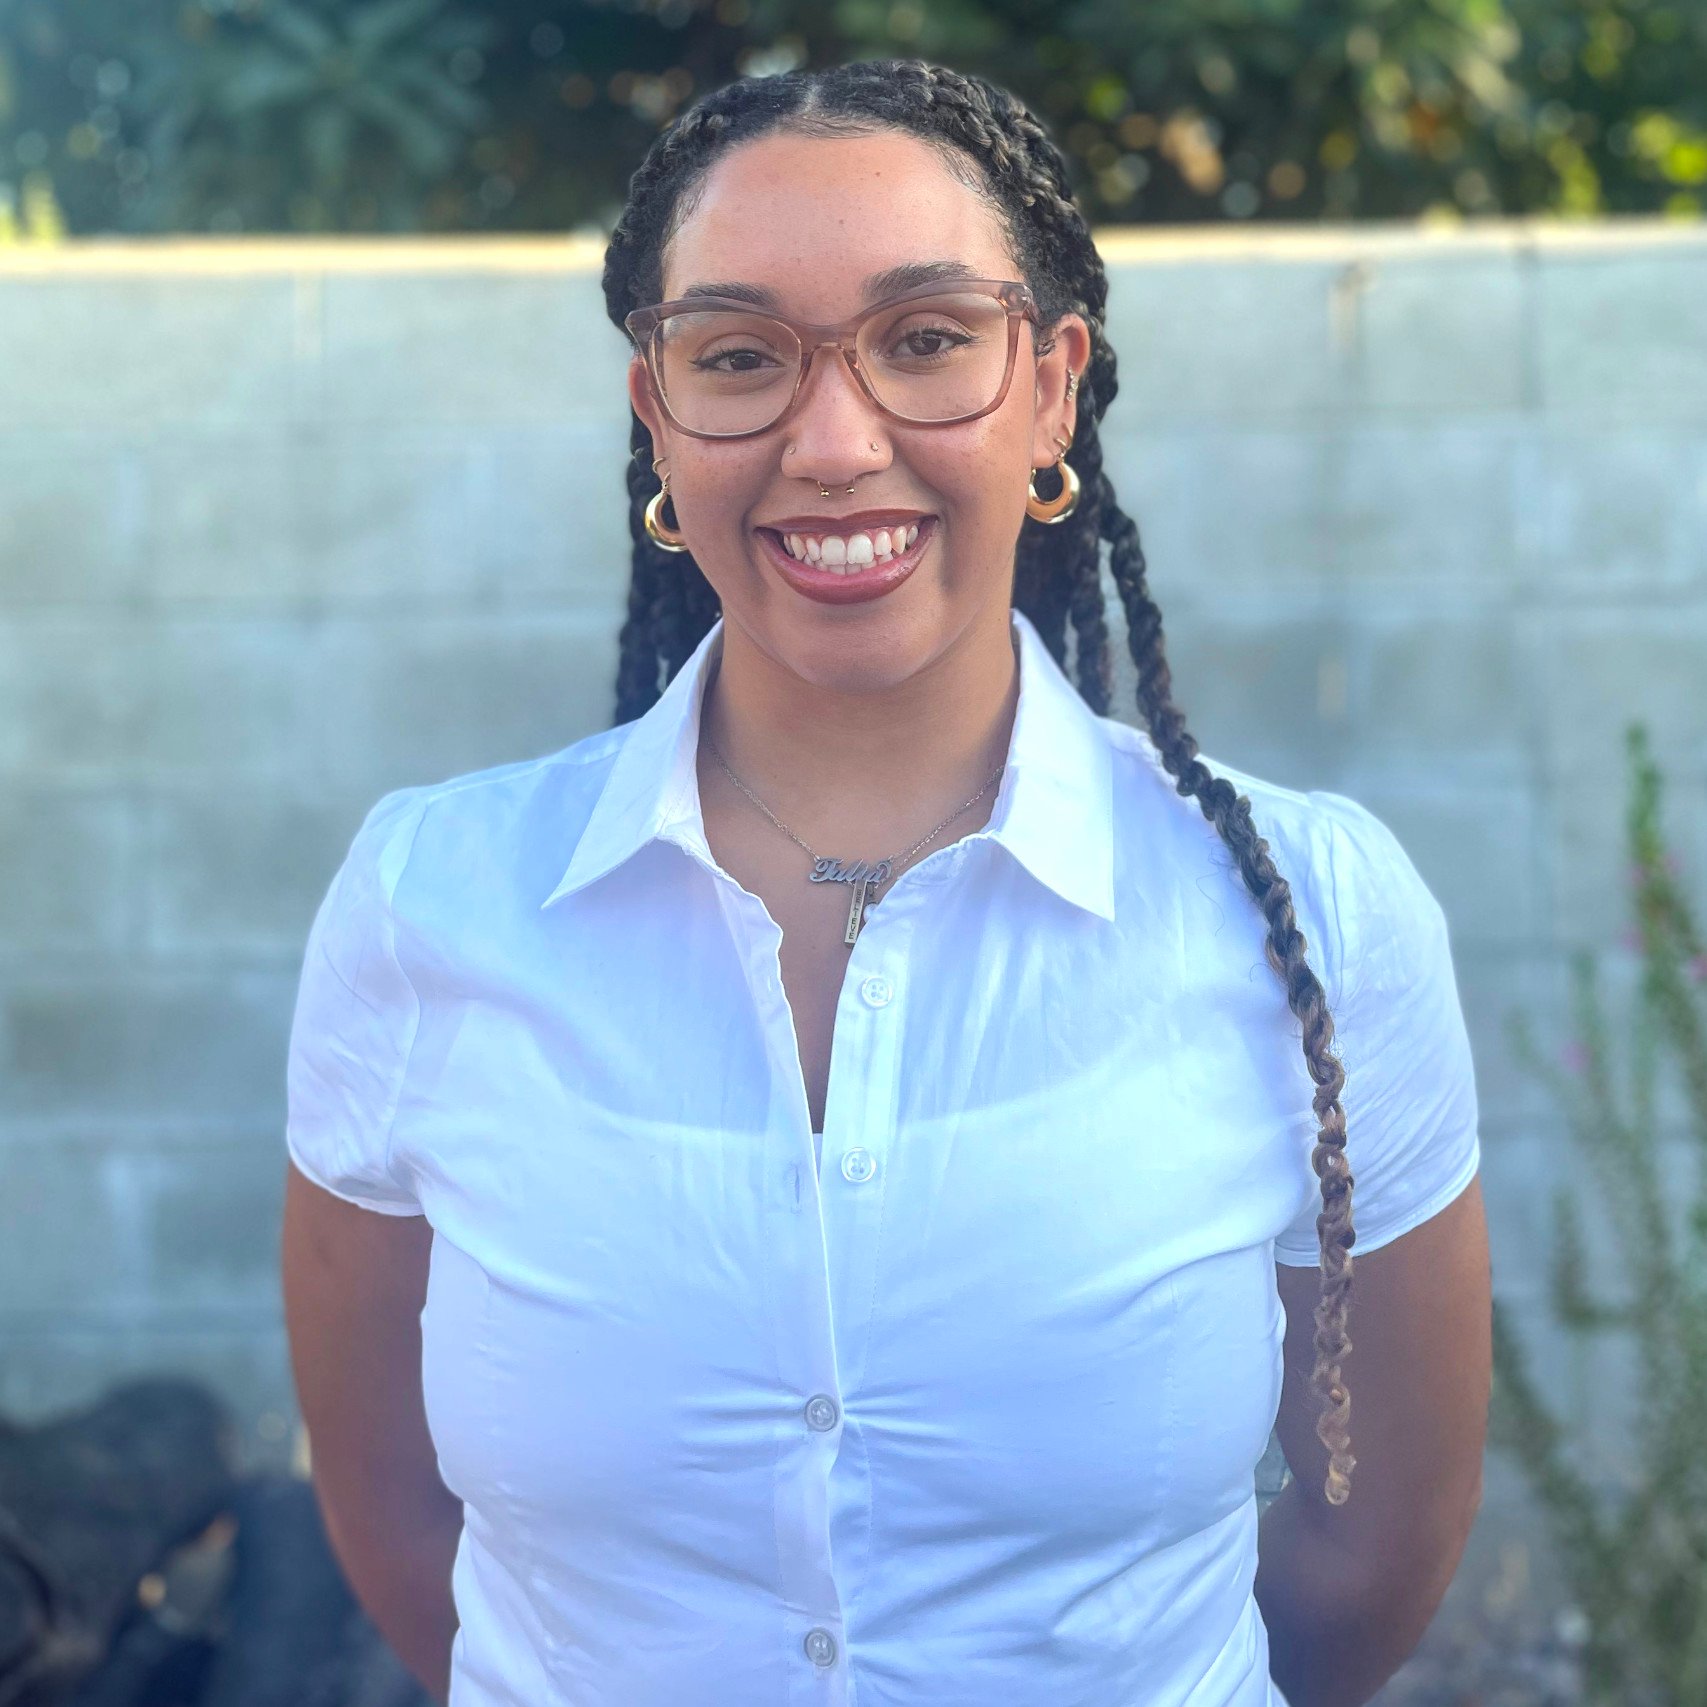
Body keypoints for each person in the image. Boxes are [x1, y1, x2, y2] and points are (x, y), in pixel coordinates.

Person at [280, 58, 1491, 1707]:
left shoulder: (1319, 916)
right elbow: (403, 1533)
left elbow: (1370, 1553)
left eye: (926, 341)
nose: (835, 442)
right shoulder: (428, 908)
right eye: (738, 357)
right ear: (658, 414)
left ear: (1053, 385)